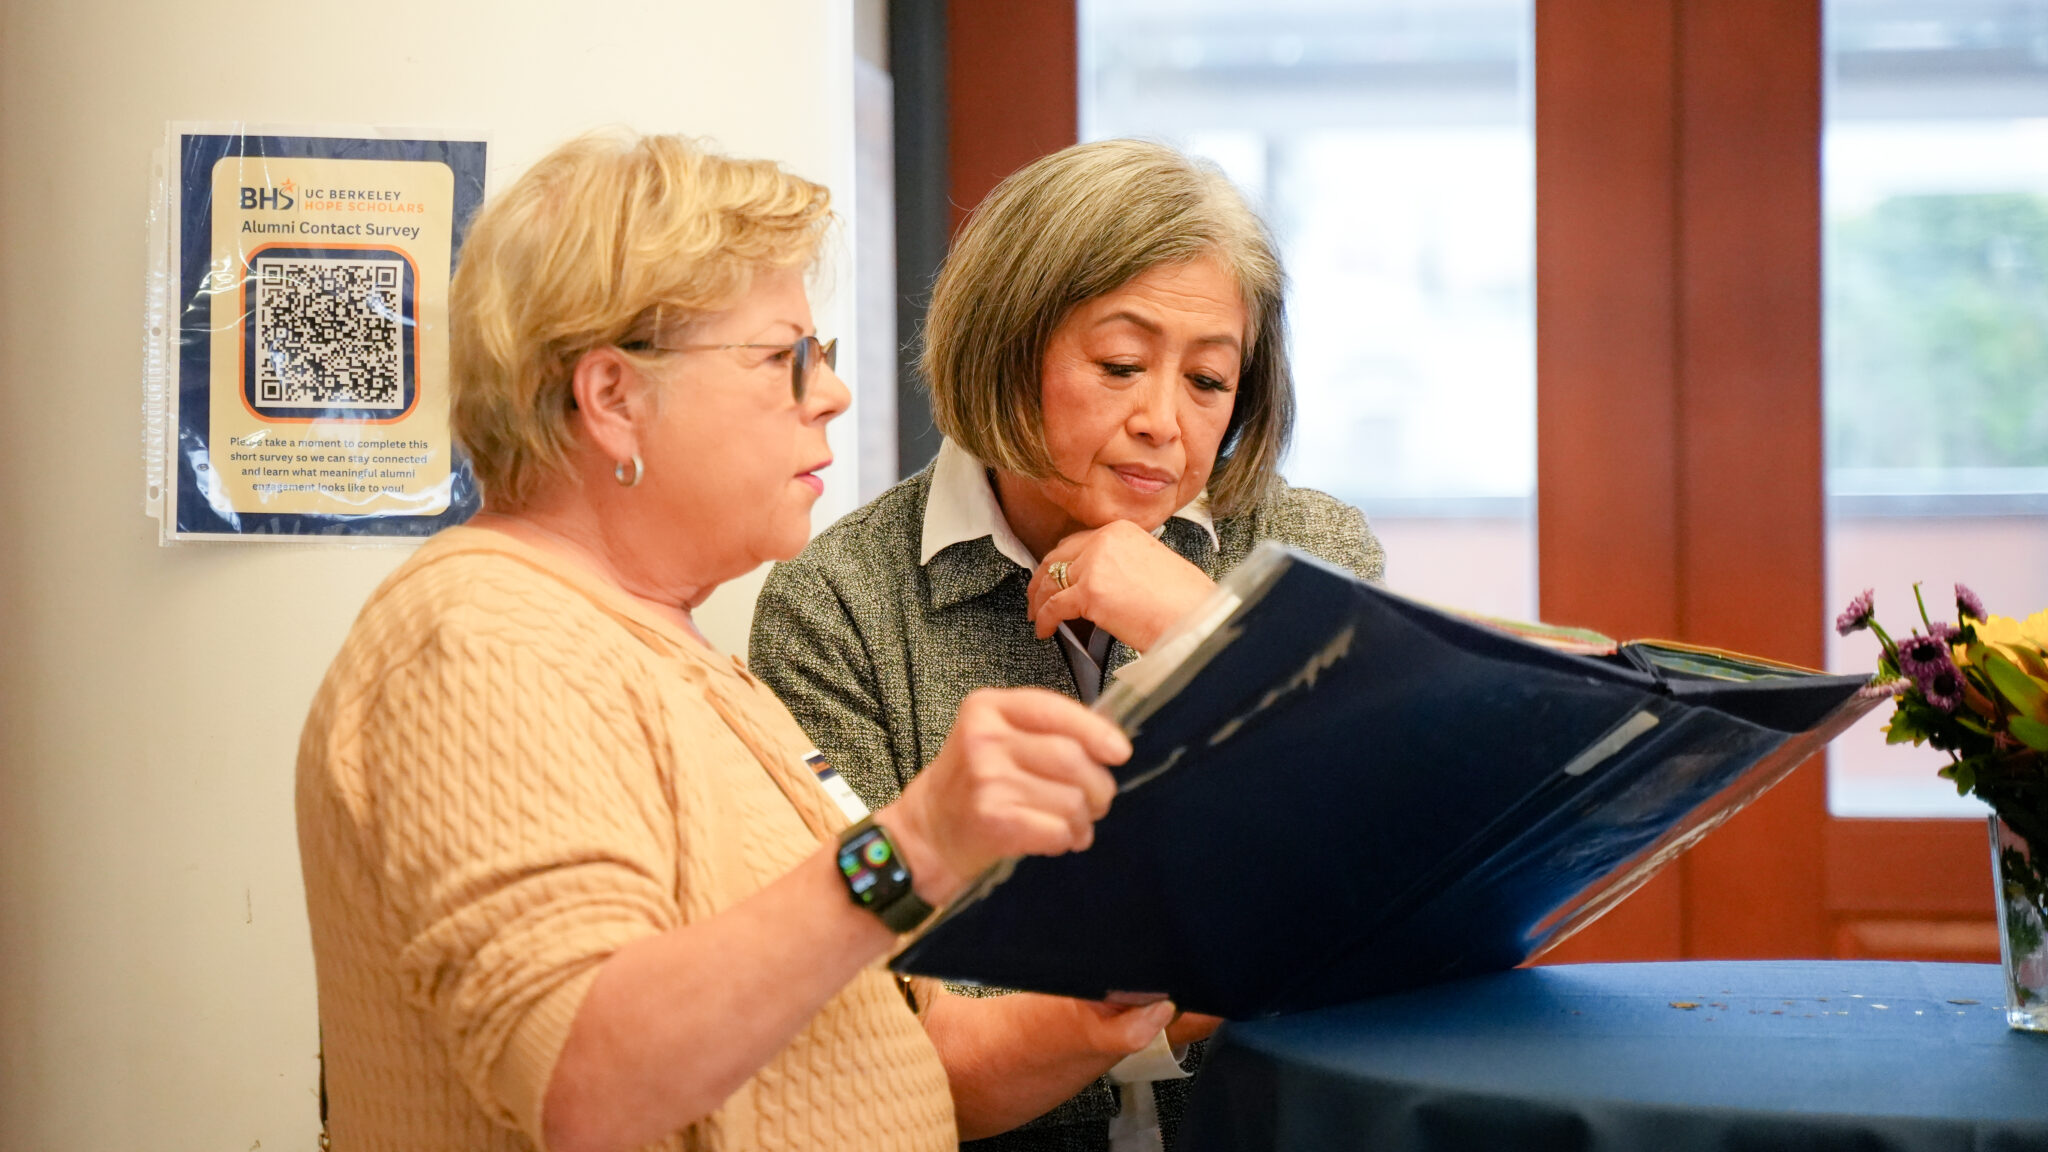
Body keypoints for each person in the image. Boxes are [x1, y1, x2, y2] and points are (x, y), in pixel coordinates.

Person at [295, 132, 1185, 1152]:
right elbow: (586, 1081)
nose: (831, 394)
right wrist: (920, 841)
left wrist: (1096, 1010)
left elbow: (879, 1016)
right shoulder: (484, 645)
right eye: (781, 358)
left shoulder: (664, 651)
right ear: (613, 399)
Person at [749, 139, 1387, 1152]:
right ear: (1006, 347)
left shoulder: (1307, 550)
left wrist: (1204, 630)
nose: (1162, 424)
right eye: (1120, 366)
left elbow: (1391, 864)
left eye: (1208, 382)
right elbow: (880, 1013)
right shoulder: (837, 605)